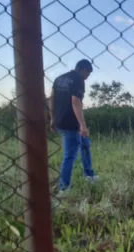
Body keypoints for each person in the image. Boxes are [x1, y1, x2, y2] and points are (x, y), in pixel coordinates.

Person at [49, 59, 99, 197]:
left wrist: (52, 118)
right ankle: (64, 189)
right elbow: (75, 101)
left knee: (85, 144)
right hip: (71, 123)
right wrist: (82, 124)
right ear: (83, 69)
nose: (87, 77)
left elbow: (52, 99)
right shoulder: (78, 79)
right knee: (70, 156)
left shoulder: (59, 79)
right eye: (88, 74)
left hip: (59, 120)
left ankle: (89, 175)